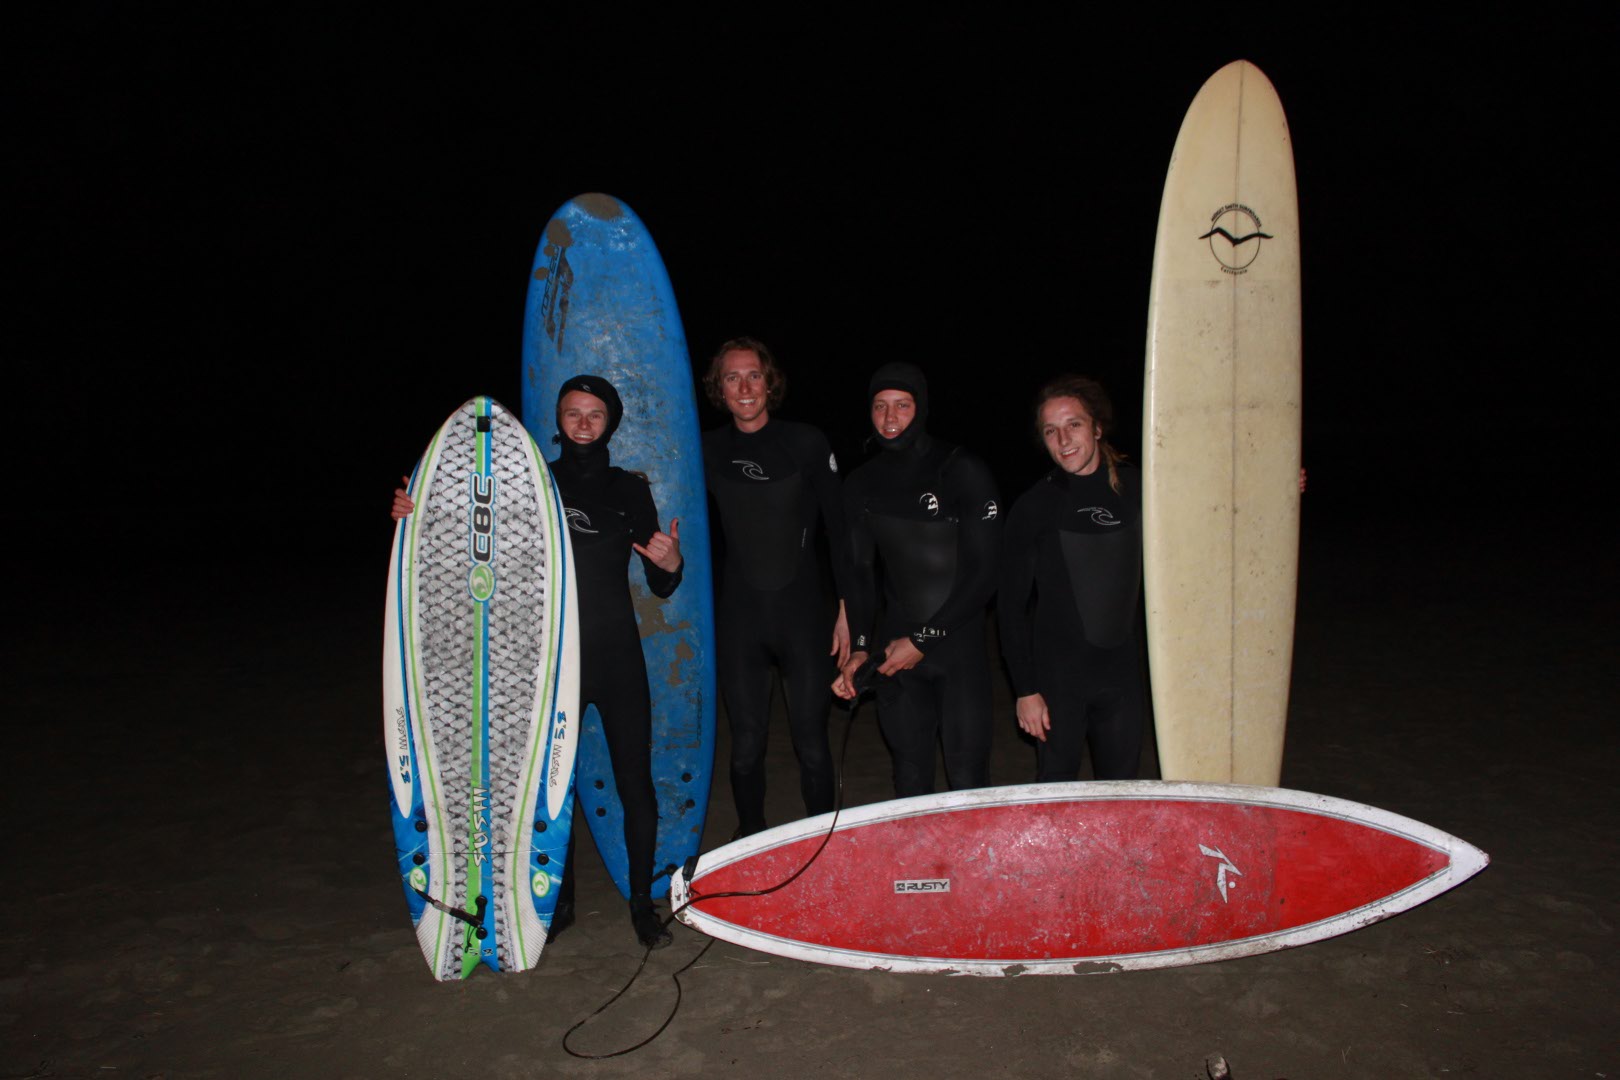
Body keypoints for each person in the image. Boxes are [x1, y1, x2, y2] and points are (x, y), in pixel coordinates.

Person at [392, 375, 682, 950]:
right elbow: (473, 549)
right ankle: (559, 901)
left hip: (617, 655)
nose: (582, 422)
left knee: (635, 783)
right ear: (558, 418)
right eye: (572, 412)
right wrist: (414, 517)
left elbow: (659, 578)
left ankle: (642, 906)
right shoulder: (532, 480)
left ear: (610, 422)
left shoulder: (628, 488)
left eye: (595, 413)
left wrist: (670, 563)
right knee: (552, 786)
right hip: (549, 661)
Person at [701, 338, 851, 837]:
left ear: (770, 382)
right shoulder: (708, 448)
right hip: (740, 618)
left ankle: (818, 846)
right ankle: (751, 840)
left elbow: (841, 530)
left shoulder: (805, 442)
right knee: (746, 746)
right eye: (731, 377)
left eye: (753, 376)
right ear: (719, 389)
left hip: (803, 616)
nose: (744, 387)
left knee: (811, 742)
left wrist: (849, 610)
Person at [832, 362, 1001, 797]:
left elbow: (985, 575)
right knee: (909, 781)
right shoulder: (860, 483)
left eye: (902, 406)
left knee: (967, 782)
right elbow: (860, 573)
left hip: (957, 651)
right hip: (895, 650)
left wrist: (922, 641)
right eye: (880, 406)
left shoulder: (961, 469)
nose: (890, 419)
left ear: (920, 408)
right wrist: (862, 649)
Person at [996, 375, 1144, 781]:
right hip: (1058, 681)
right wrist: (1025, 691)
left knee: (1121, 796)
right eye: (1051, 430)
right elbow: (1009, 607)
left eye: (1074, 424)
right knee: (1058, 802)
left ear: (1097, 427)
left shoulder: (1138, 488)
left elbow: (1213, 509)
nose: (1063, 440)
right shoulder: (1034, 507)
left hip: (1123, 678)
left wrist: (1278, 487)